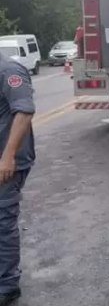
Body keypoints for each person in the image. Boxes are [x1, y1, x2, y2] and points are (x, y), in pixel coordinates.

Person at [0, 51, 35, 305]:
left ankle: (7, 284)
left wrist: (8, 157)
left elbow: (23, 112)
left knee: (2, 220)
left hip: (6, 162)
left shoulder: (10, 71)